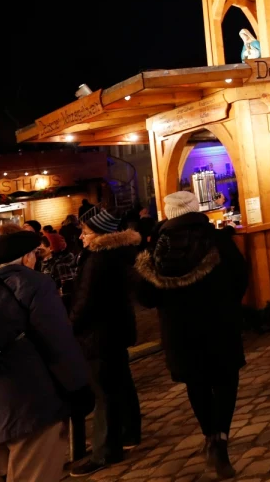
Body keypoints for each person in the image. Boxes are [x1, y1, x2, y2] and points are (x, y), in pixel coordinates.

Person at [0, 230, 93, 482]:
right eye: (35, 254)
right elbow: (58, 342)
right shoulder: (31, 283)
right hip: (25, 404)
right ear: (26, 257)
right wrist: (79, 388)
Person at [135, 191, 248, 479]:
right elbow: (240, 277)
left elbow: (146, 296)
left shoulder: (155, 249)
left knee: (196, 382)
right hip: (219, 323)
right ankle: (221, 438)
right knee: (225, 380)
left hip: (179, 330)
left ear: (169, 213)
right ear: (195, 209)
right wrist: (228, 303)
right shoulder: (218, 240)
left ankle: (209, 435)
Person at [68, 208, 143, 476]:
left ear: (100, 234)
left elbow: (85, 300)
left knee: (104, 392)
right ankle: (129, 433)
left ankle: (105, 452)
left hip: (98, 333)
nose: (81, 237)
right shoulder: (117, 252)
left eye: (86, 232)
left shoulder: (97, 258)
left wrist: (70, 326)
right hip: (115, 328)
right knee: (120, 383)